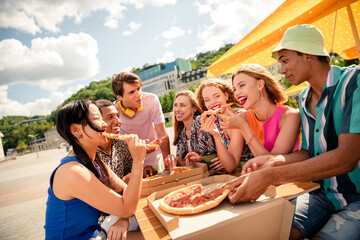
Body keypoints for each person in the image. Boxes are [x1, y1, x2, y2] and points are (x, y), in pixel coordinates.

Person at [226, 24, 360, 240]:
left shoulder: (355, 81)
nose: (281, 70)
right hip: (321, 192)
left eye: (285, 60)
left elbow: (347, 158)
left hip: (357, 197)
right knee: (273, 232)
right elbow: (307, 151)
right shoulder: (305, 97)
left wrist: (270, 175)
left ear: (307, 55)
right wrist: (273, 161)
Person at [44, 99, 145, 240]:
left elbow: (124, 190)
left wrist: (123, 219)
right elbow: (127, 207)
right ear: (75, 130)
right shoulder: (73, 171)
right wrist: (138, 162)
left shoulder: (95, 160)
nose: (104, 124)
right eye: (97, 119)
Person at [219, 63, 301, 171]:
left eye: (242, 85)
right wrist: (215, 134)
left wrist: (243, 127)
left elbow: (273, 164)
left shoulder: (290, 116)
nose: (237, 93)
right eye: (234, 89)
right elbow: (231, 166)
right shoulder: (242, 117)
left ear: (260, 85)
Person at [111, 72, 174, 170]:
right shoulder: (113, 114)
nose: (138, 95)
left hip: (155, 161)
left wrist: (167, 161)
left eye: (138, 89)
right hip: (131, 167)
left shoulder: (152, 100)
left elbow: (162, 133)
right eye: (132, 92)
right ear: (119, 97)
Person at [192, 78, 244, 173]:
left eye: (217, 96)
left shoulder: (238, 116)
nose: (212, 102)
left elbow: (231, 167)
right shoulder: (216, 120)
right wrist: (215, 134)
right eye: (207, 100)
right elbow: (228, 162)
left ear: (226, 96)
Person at [164, 90, 216, 167]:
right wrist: (173, 159)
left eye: (182, 105)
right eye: (175, 105)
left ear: (194, 109)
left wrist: (200, 158)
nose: (177, 109)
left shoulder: (201, 122)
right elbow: (181, 159)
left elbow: (215, 156)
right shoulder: (182, 132)